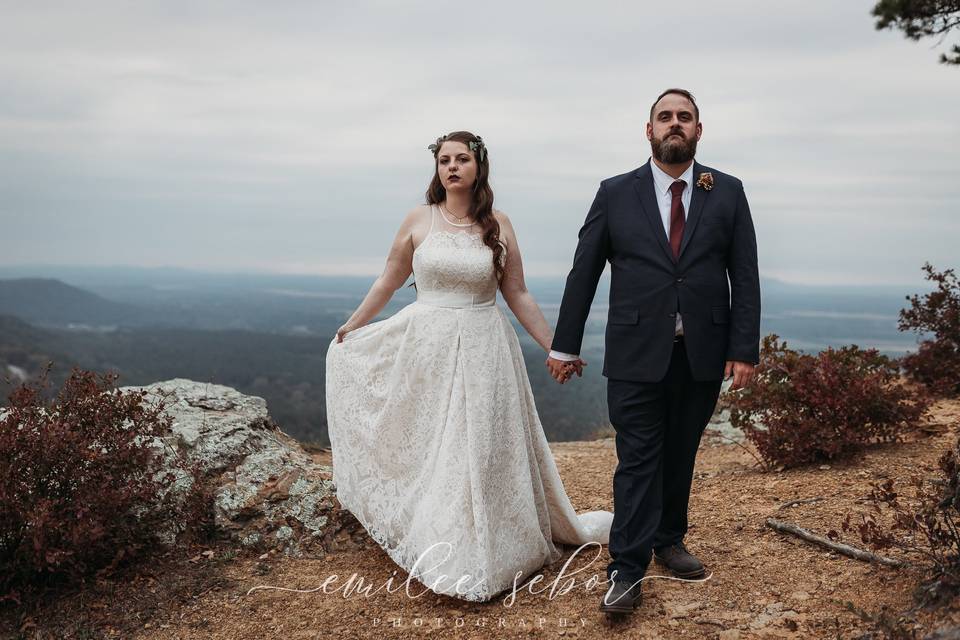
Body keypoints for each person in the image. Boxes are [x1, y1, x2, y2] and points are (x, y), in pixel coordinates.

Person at [325, 131, 614, 603]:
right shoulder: (419, 220)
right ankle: (441, 540)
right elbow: (389, 279)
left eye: (462, 159)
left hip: (485, 346)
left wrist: (556, 347)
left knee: (476, 443)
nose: (452, 167)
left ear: (479, 167)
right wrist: (353, 325)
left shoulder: (497, 224)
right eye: (444, 160)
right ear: (436, 168)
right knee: (432, 442)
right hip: (426, 346)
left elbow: (516, 292)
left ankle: (492, 547)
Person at [547, 88, 761, 617]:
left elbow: (745, 275)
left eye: (684, 117)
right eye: (664, 117)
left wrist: (744, 350)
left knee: (681, 449)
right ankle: (626, 567)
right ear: (648, 131)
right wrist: (564, 344)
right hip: (635, 350)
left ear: (698, 130)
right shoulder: (615, 192)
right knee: (638, 457)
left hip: (704, 352)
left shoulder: (728, 191)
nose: (674, 124)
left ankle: (669, 538)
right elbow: (585, 271)